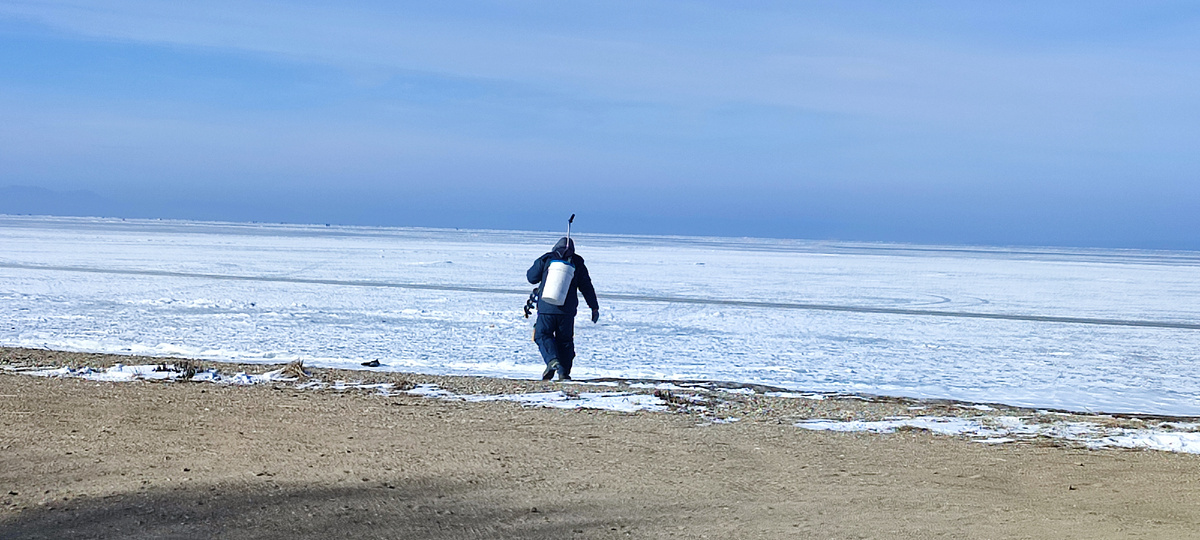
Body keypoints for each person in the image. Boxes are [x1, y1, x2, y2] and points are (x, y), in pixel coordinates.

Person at [527, 237, 599, 381]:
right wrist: (594, 307)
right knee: (565, 341)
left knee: (542, 335)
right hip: (567, 311)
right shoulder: (577, 262)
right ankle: (564, 372)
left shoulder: (547, 258)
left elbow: (531, 277)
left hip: (547, 307)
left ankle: (552, 361)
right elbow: (586, 286)